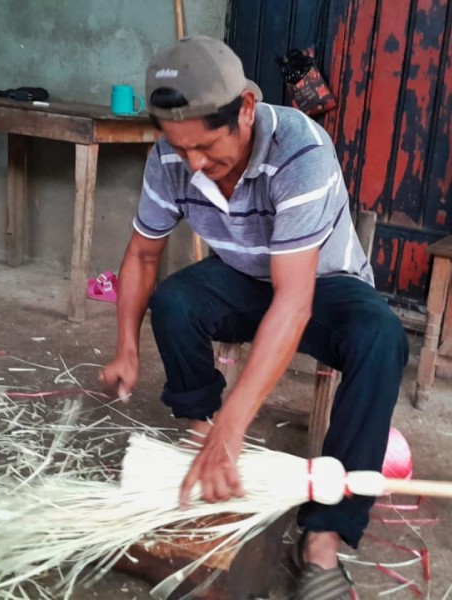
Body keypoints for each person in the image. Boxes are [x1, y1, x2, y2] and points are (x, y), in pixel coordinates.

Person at [100, 35, 409, 599]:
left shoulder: (299, 151)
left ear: (245, 108)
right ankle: (201, 443)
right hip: (244, 278)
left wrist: (236, 425)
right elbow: (144, 254)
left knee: (380, 338)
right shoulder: (172, 154)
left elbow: (294, 302)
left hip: (322, 284)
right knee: (176, 301)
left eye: (208, 149)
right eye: (179, 147)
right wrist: (125, 346)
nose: (192, 163)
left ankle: (321, 539)